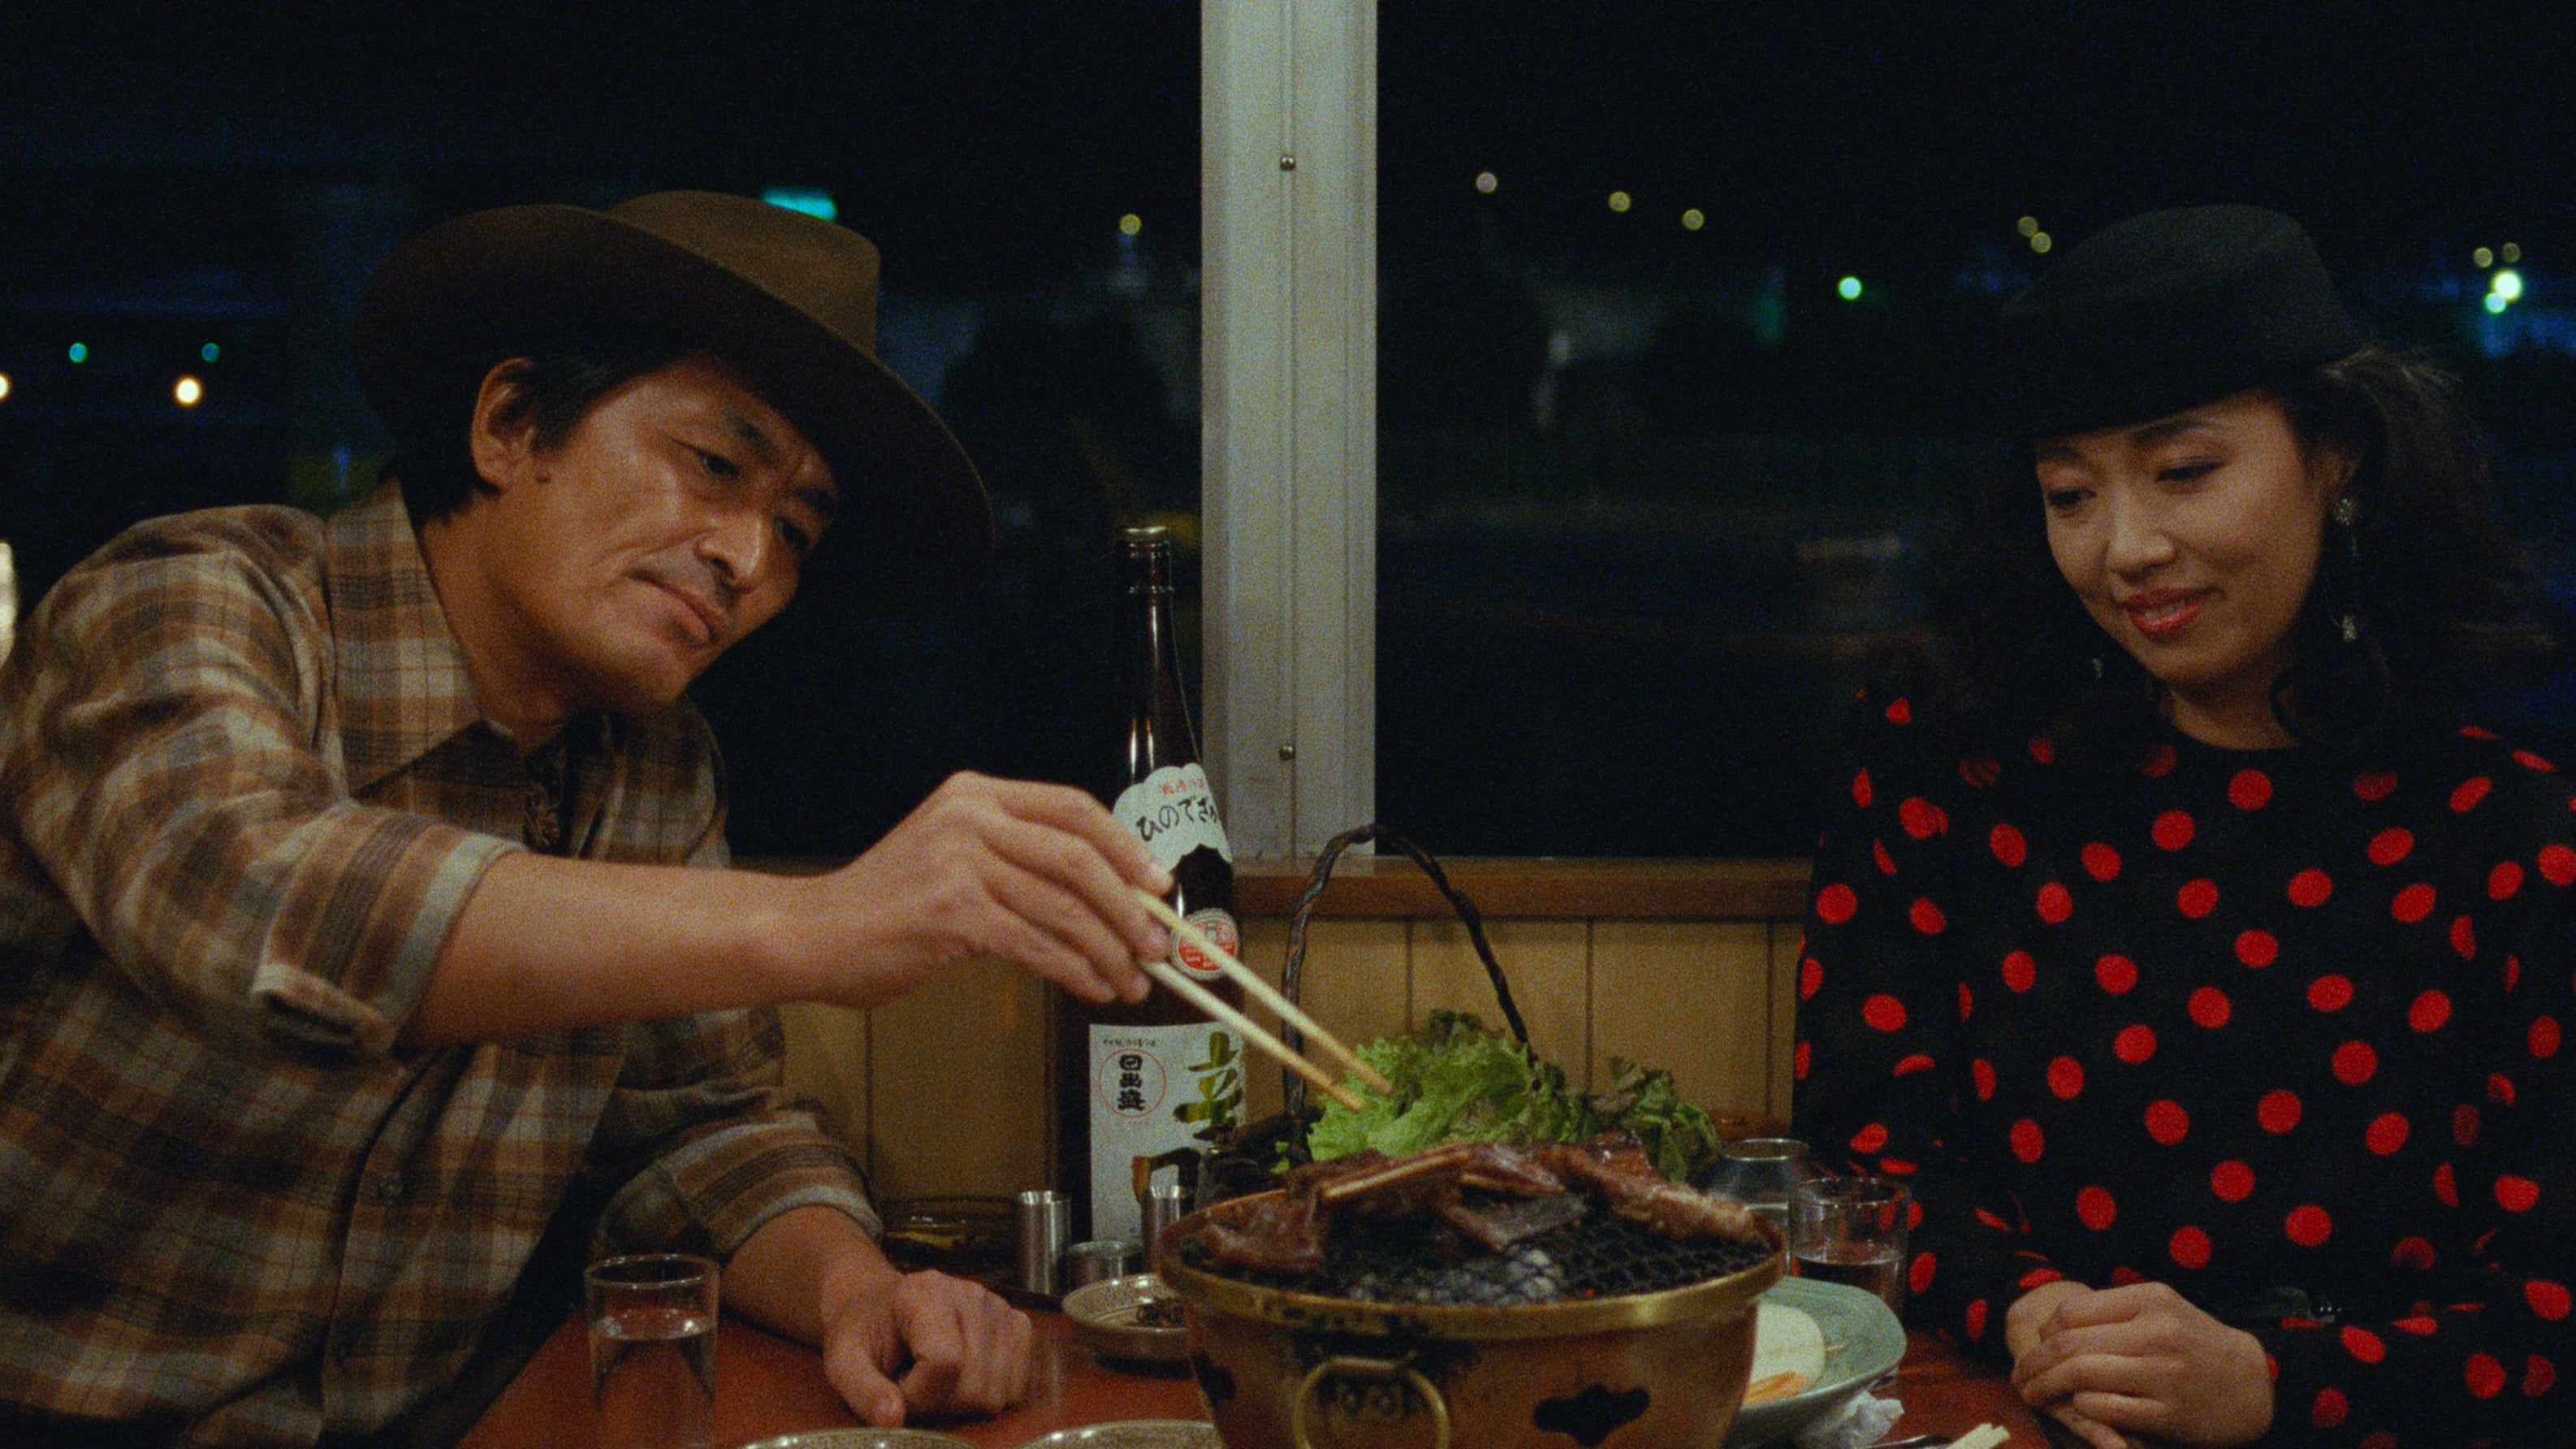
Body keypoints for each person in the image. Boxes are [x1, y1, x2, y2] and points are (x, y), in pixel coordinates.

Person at [0, 191, 1177, 1445]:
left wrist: (859, 1291)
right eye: (714, 466)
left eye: (793, 529)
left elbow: (699, 1134)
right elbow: (258, 902)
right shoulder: (191, 603)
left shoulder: (655, 771)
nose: (748, 560)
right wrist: (819, 922)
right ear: (510, 426)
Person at [1793, 205, 2576, 1448]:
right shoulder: (1948, 765)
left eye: (2186, 472)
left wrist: (2270, 1386)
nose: (2127, 549)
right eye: (2071, 493)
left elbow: (2552, 1300)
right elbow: (1865, 1152)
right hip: (2026, 1410)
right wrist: (2037, 1314)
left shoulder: (2513, 830)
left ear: (2339, 458)